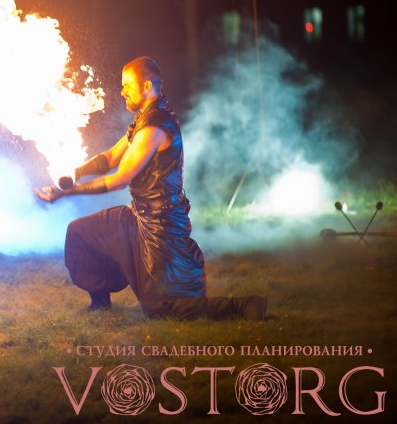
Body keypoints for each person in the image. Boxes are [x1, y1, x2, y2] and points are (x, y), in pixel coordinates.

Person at [35, 57, 265, 321]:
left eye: (127, 85)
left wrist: (66, 193)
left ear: (145, 86)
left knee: (164, 310)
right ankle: (100, 304)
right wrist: (76, 171)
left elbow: (120, 178)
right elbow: (111, 158)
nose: (123, 91)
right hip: (138, 216)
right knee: (80, 232)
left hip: (161, 225)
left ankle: (243, 306)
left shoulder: (154, 127)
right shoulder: (143, 120)